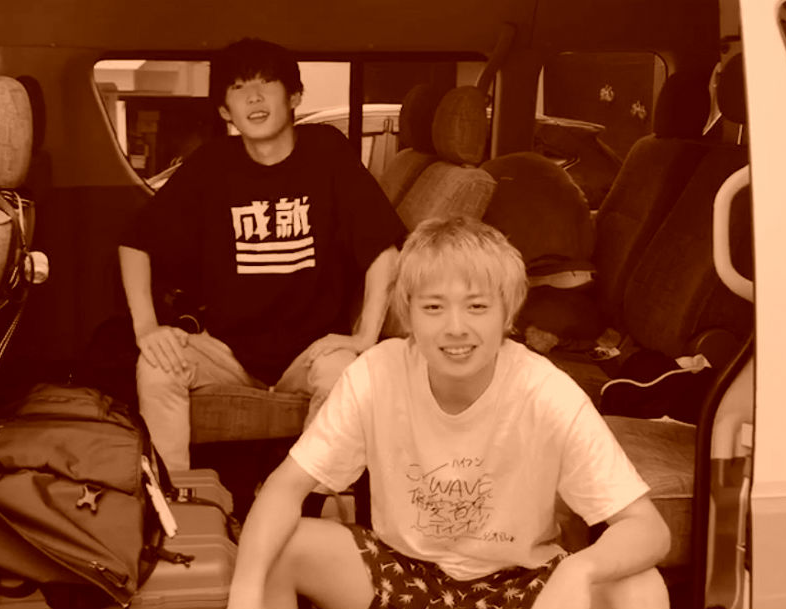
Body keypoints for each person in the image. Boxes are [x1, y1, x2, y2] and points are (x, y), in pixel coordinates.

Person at [226, 215, 671, 609]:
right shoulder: (376, 374)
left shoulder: (547, 392)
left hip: (522, 583)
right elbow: (285, 487)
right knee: (278, 548)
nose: (455, 327)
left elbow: (648, 528)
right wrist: (244, 594)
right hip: (403, 572)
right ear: (409, 315)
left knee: (639, 586)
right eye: (434, 307)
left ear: (508, 313)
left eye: (477, 306)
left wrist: (579, 570)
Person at [118, 38, 405, 471]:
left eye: (266, 83)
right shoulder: (212, 164)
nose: (253, 97)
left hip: (310, 352)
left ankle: (316, 499)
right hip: (226, 352)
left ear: (294, 96)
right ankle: (175, 498)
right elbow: (135, 243)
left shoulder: (327, 152)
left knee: (344, 372)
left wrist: (365, 336)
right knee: (156, 367)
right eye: (238, 87)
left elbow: (384, 248)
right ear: (224, 110)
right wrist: (146, 329)